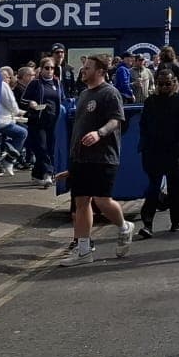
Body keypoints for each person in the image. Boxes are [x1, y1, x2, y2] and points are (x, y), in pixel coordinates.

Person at [59, 56, 133, 266]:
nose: (83, 70)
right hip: (81, 158)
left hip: (103, 157)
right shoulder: (83, 94)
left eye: (88, 67)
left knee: (102, 200)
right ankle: (83, 251)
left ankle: (124, 227)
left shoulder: (110, 93)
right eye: (84, 67)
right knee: (82, 202)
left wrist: (99, 133)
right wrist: (71, 162)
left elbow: (116, 120)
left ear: (100, 71)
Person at [136, 68, 179, 239]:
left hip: (174, 151)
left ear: (174, 82)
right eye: (161, 84)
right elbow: (143, 124)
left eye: (168, 83)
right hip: (153, 150)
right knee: (153, 187)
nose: (164, 87)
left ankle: (176, 220)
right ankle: (147, 223)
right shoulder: (151, 101)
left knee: (176, 187)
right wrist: (144, 145)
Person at [22, 60, 62, 186]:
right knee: (42, 147)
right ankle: (49, 173)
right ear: (41, 69)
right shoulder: (35, 83)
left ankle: (37, 174)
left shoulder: (57, 83)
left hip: (53, 120)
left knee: (50, 148)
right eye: (46, 68)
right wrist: (31, 103)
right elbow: (22, 99)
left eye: (52, 68)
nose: (49, 70)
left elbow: (62, 99)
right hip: (38, 121)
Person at [0, 66, 29, 176]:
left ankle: (6, 150)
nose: (10, 79)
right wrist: (19, 112)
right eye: (8, 77)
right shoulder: (3, 85)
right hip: (2, 121)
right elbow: (10, 103)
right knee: (23, 133)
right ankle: (9, 158)